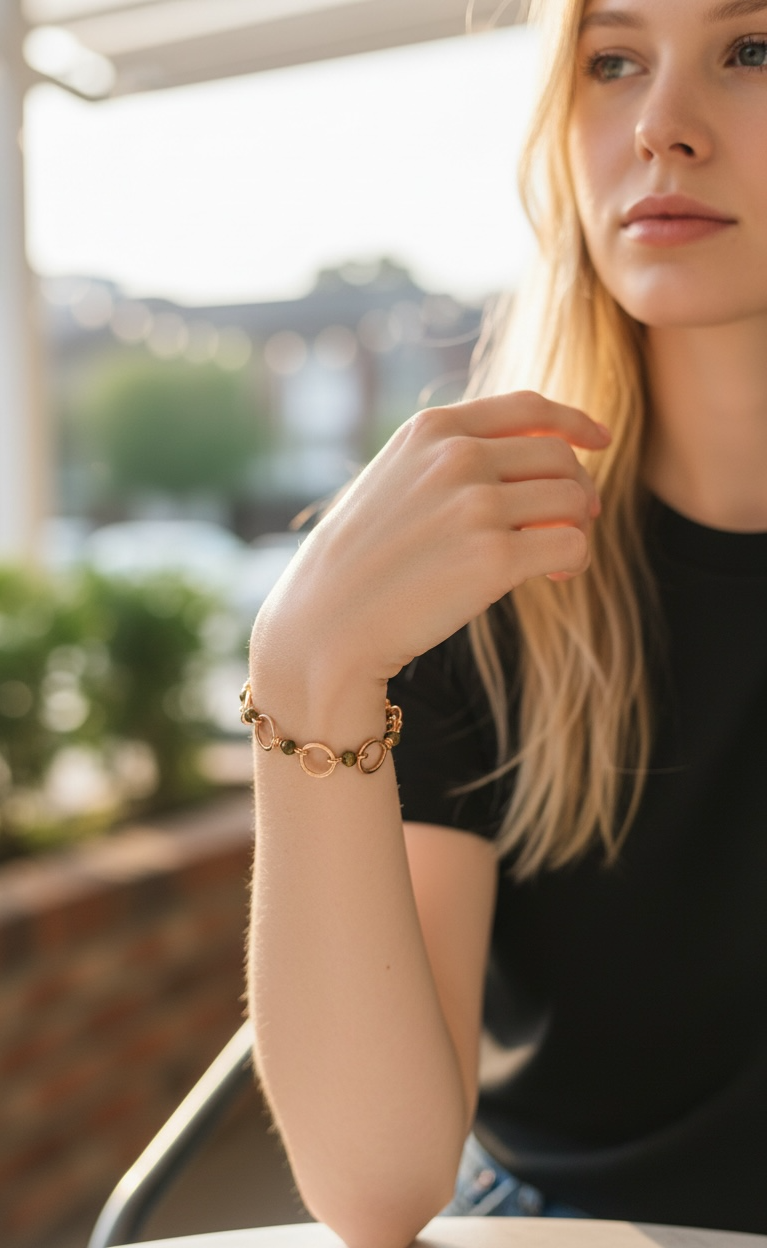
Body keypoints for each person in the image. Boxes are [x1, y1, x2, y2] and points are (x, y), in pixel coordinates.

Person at [244, 0, 767, 1243]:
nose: (661, 129)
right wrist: (306, 664)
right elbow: (378, 1187)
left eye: (754, 50)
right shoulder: (472, 579)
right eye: (612, 62)